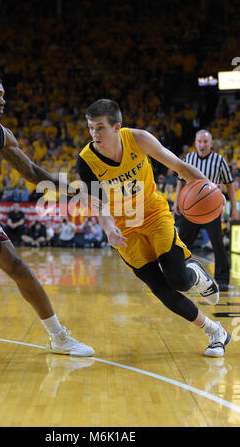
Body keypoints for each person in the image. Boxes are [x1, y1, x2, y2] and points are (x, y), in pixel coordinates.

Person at [0, 72, 94, 356]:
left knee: (18, 267)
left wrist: (74, 191)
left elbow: (33, 173)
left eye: (2, 95)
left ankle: (58, 337)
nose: (3, 100)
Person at [76, 98, 231, 358]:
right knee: (161, 290)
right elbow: (98, 204)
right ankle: (215, 332)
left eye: (100, 127)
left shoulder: (139, 139)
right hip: (124, 228)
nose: (94, 134)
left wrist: (211, 188)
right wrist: (109, 229)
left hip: (154, 213)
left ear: (117, 127)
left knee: (179, 281)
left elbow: (179, 167)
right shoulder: (86, 160)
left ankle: (196, 275)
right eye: (91, 128)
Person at [173, 129, 238, 292]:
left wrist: (234, 208)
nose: (202, 145)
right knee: (181, 243)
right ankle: (178, 276)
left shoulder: (220, 160)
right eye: (199, 142)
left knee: (218, 244)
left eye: (205, 142)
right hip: (191, 208)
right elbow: (180, 181)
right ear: (195, 143)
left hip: (211, 210)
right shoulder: (189, 158)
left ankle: (222, 280)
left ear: (211, 144)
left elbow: (229, 184)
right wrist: (176, 202)